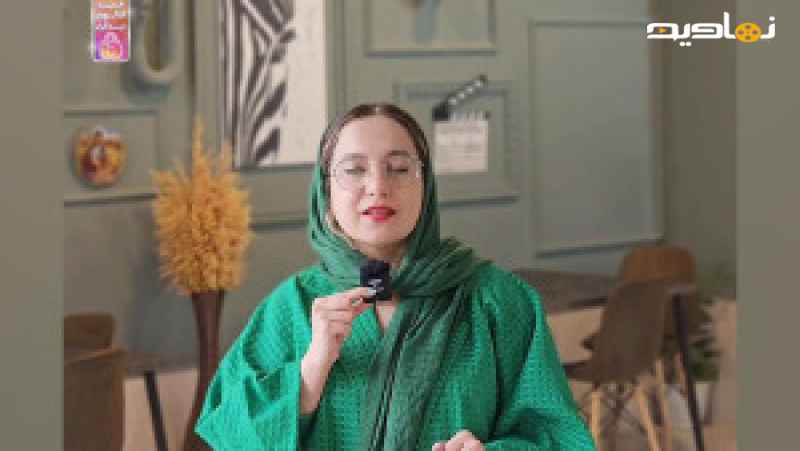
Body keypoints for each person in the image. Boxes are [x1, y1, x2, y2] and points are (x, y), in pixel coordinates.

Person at [195, 103, 595, 450]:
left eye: (399, 168)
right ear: (326, 192)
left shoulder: (498, 302)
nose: (377, 187)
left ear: (426, 185)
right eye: (354, 170)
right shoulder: (292, 306)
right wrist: (309, 372)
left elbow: (559, 437)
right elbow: (228, 431)